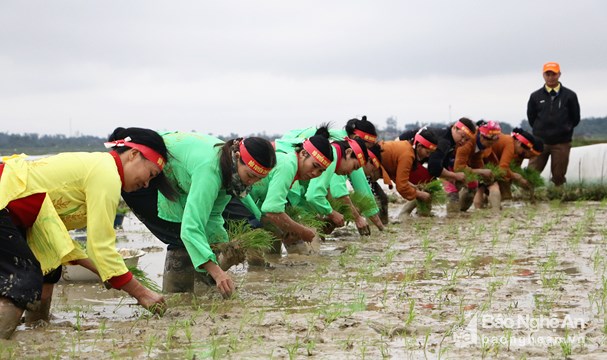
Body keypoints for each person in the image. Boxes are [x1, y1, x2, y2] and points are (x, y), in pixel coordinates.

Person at [0, 127, 174, 339]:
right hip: (6, 197)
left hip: (17, 208)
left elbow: (56, 237)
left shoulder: (99, 167)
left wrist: (104, 270)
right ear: (133, 155)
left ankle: (38, 328)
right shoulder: (107, 174)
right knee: (22, 282)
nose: (146, 183)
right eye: (150, 174)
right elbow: (100, 246)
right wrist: (141, 293)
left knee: (49, 264)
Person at [122, 132, 275, 297]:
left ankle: (198, 293)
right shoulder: (210, 170)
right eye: (250, 175)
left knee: (198, 239)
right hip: (146, 174)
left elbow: (213, 216)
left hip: (175, 180)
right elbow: (191, 227)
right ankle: (177, 298)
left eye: (258, 179)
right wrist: (217, 272)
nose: (251, 182)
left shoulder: (229, 170)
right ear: (237, 156)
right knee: (179, 237)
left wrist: (223, 247)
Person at [277, 117, 384, 233]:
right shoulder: (334, 151)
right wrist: (340, 215)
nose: (351, 173)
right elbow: (327, 193)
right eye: (366, 148)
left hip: (289, 180)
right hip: (285, 176)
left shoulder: (341, 149)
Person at [238, 128, 334, 257]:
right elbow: (272, 210)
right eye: (315, 166)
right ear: (303, 154)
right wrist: (302, 231)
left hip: (246, 201)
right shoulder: (288, 165)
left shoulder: (292, 169)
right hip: (238, 199)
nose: (315, 174)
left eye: (321, 171)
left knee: (264, 260)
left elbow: (266, 208)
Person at [399, 118, 477, 213]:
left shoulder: (450, 140)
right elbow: (434, 168)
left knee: (429, 184)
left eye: (467, 140)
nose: (463, 141)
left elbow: (442, 164)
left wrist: (451, 178)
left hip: (411, 155)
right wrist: (455, 175)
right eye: (462, 136)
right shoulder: (445, 142)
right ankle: (405, 213)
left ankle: (421, 215)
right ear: (455, 128)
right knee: (429, 183)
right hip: (402, 154)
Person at [527, 62, 581, 186]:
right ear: (543, 75)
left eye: (553, 74)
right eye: (548, 74)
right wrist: (539, 130)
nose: (550, 77)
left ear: (559, 75)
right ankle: (528, 198)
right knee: (531, 173)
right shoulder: (535, 96)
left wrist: (565, 129)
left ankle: (558, 199)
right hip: (540, 142)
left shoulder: (570, 96)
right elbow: (531, 118)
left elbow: (575, 118)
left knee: (558, 176)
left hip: (561, 142)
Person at [377, 128, 439, 216]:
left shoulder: (407, 147)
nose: (427, 156)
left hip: (371, 168)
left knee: (381, 200)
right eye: (427, 152)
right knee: (380, 201)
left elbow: (396, 176)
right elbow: (401, 186)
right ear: (419, 146)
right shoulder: (408, 155)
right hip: (366, 169)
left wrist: (413, 186)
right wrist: (420, 194)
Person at [453, 120, 501, 210]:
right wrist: (481, 171)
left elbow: (476, 161)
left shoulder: (480, 145)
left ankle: (461, 214)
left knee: (472, 187)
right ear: (482, 137)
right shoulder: (467, 142)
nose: (490, 146)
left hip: (460, 167)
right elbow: (458, 168)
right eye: (490, 143)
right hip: (449, 164)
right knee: (452, 196)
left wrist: (484, 175)